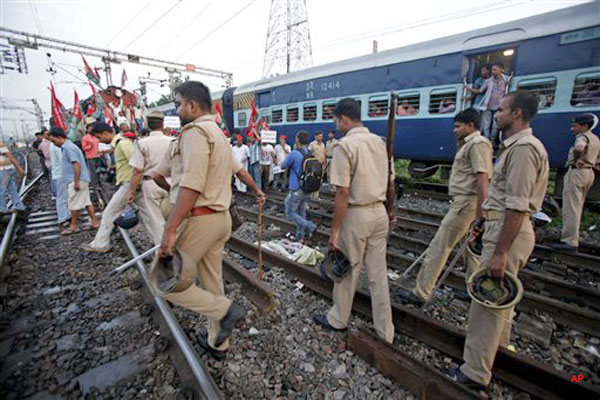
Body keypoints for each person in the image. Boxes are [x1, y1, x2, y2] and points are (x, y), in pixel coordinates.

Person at [154, 81, 264, 361]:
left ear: (192, 105)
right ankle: (218, 343)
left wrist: (169, 230)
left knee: (164, 282)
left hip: (200, 220)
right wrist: (257, 190)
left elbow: (191, 184)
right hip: (221, 220)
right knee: (212, 281)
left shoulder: (194, 132)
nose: (177, 110)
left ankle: (223, 310)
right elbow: (238, 171)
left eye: (178, 104)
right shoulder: (219, 134)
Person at [446, 91, 549, 391]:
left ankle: (475, 372)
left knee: (487, 305)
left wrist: (500, 252)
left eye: (502, 109)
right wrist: (483, 219)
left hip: (508, 232)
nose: (497, 114)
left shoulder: (523, 149)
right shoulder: (519, 147)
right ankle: (497, 354)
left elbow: (517, 204)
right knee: (502, 304)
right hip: (503, 226)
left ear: (517, 114)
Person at [312, 98, 395, 343]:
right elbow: (391, 181)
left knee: (348, 269)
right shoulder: (380, 142)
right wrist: (391, 211)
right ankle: (385, 331)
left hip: (357, 214)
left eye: (336, 120)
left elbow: (343, 193)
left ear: (344, 119)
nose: (336, 125)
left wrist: (334, 231)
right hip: (379, 212)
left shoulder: (344, 146)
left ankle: (338, 319)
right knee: (378, 275)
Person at [398, 108, 492, 305]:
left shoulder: (477, 144)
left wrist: (480, 215)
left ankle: (421, 292)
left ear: (471, 125)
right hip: (465, 203)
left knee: (439, 247)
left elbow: (483, 179)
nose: (454, 130)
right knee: (470, 250)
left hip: (466, 203)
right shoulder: (469, 144)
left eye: (458, 126)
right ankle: (474, 287)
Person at [81, 122, 140, 252]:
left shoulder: (123, 144)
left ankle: (101, 243)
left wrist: (132, 188)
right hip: (133, 183)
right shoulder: (120, 143)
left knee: (110, 212)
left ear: (105, 134)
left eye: (99, 137)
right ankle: (160, 243)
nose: (99, 140)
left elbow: (138, 164)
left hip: (129, 184)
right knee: (150, 216)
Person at [552, 114, 600, 252]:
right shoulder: (595, 138)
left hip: (577, 173)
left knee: (571, 207)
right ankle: (574, 238)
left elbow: (579, 148)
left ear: (584, 126)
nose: (572, 129)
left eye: (575, 126)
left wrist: (575, 159)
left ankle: (569, 242)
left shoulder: (582, 137)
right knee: (578, 206)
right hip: (589, 173)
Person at [124, 110, 173, 245]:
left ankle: (163, 254)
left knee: (157, 221)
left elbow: (138, 170)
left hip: (151, 183)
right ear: (162, 124)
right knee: (175, 218)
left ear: (148, 124)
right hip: (173, 182)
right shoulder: (173, 141)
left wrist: (131, 191)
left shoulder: (142, 143)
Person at [47, 127, 99, 235]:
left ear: (60, 137)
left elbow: (76, 164)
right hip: (81, 179)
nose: (53, 143)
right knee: (86, 202)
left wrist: (76, 182)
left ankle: (74, 226)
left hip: (77, 180)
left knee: (73, 204)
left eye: (53, 140)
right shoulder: (68, 147)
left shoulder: (68, 148)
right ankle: (95, 222)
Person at [281, 130, 317, 241]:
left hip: (296, 188)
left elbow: (283, 166)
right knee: (301, 213)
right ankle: (299, 237)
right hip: (307, 188)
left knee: (290, 213)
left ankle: (310, 226)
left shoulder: (294, 153)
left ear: (297, 139)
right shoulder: (309, 152)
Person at [467, 62, 510, 150]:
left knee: (495, 125)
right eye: (492, 70)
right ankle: (486, 141)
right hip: (487, 105)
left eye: (495, 69)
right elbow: (480, 91)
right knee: (485, 125)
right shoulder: (488, 81)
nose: (493, 71)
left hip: (499, 106)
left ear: (501, 69)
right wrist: (468, 88)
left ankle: (492, 141)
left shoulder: (506, 79)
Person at [0, 140, 26, 214]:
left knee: (1, 190)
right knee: (11, 188)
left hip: (4, 169)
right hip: (6, 169)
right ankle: (19, 205)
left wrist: (19, 168)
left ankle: (2, 209)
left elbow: (10, 156)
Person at [49, 141, 70, 227]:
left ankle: (67, 215)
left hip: (59, 173)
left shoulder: (52, 145)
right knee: (62, 198)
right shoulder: (56, 146)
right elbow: (62, 159)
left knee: (63, 197)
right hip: (60, 174)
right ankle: (63, 217)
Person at [81, 123, 102, 188]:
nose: (91, 130)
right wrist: (90, 146)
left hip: (98, 156)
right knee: (93, 172)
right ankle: (94, 185)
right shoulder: (85, 138)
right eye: (90, 129)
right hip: (90, 157)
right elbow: (84, 148)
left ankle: (99, 183)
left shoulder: (96, 136)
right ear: (87, 130)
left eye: (92, 128)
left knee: (99, 171)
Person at [308, 131, 326, 199]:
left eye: (321, 136)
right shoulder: (312, 144)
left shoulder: (323, 144)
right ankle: (310, 196)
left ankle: (316, 196)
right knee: (313, 181)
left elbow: (324, 154)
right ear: (315, 136)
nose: (321, 137)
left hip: (321, 166)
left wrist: (324, 164)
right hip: (314, 166)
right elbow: (309, 154)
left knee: (319, 181)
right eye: (319, 136)